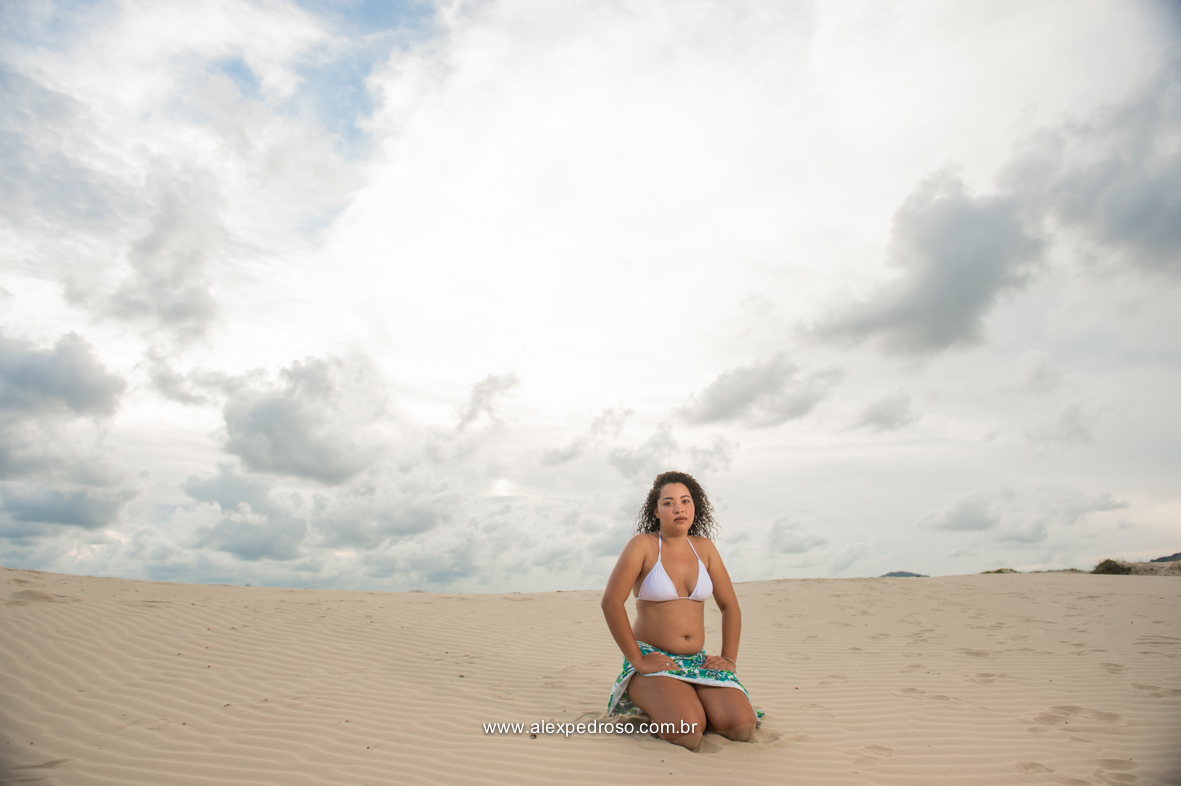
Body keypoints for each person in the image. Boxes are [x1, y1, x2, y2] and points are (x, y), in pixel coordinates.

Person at [601, 470, 758, 751]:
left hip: (696, 661)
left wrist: (729, 658)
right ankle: (659, 699)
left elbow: (730, 606)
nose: (678, 508)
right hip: (654, 659)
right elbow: (611, 602)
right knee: (687, 732)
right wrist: (638, 660)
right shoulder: (643, 546)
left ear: (695, 507)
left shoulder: (704, 549)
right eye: (668, 503)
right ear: (656, 511)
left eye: (685, 501)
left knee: (741, 727)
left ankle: (689, 699)